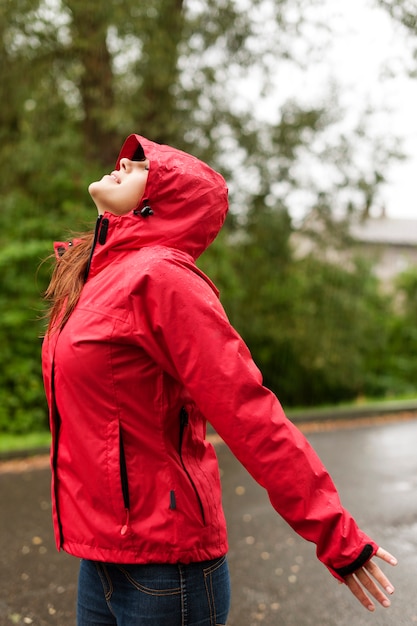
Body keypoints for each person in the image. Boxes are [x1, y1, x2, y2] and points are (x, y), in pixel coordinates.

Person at [42, 134, 397, 626]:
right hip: (102, 556)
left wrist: (337, 537)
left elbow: (252, 414)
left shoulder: (162, 281)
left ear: (161, 201)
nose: (124, 160)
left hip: (166, 572)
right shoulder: (95, 279)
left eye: (144, 165)